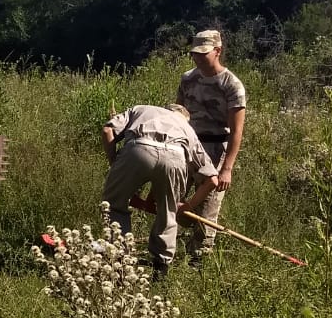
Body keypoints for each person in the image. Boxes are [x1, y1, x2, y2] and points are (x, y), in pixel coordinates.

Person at [101, 103, 220, 278]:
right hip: (175, 156)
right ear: (185, 118)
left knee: (113, 205)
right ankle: (160, 269)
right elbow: (212, 180)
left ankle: (119, 260)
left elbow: (107, 131)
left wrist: (115, 164)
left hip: (138, 148)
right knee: (168, 214)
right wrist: (187, 206)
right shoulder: (187, 129)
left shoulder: (141, 109)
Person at [176, 29, 247, 265]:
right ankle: (169, 249)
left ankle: (197, 260)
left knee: (207, 208)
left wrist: (227, 168)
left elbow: (236, 131)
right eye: (195, 53)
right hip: (188, 146)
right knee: (175, 198)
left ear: (218, 51)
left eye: (203, 53)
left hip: (216, 148)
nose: (198, 58)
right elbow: (178, 113)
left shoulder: (231, 85)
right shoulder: (188, 79)